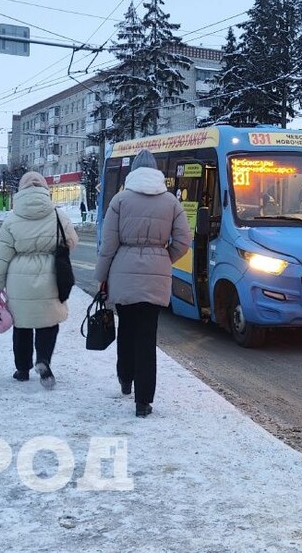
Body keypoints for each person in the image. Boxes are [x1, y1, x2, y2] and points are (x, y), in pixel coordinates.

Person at [95, 149, 193, 417]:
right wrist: (163, 258)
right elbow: (184, 241)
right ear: (157, 171)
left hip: (123, 273)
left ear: (133, 171)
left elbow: (108, 246)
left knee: (126, 329)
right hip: (156, 275)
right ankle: (144, 402)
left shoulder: (120, 199)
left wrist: (101, 277)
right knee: (147, 338)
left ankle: (126, 380)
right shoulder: (171, 202)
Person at [0, 171, 79, 388]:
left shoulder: (12, 220)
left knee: (21, 325)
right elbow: (72, 242)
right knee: (48, 322)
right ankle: (43, 360)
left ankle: (22, 369)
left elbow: (1, 255)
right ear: (45, 190)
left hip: (19, 278)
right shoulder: (58, 216)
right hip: (51, 275)